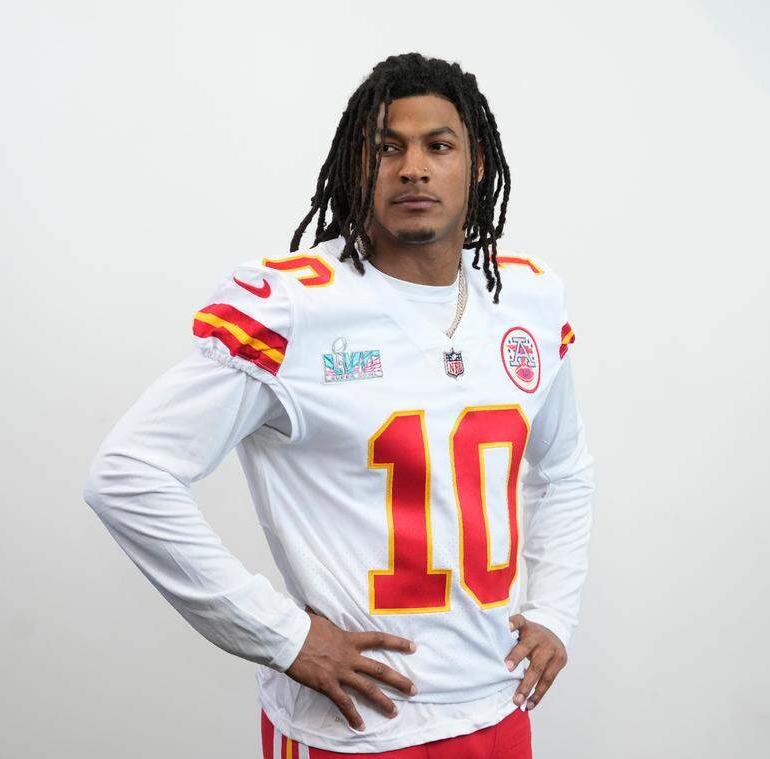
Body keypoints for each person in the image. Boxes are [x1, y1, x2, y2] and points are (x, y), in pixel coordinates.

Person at [83, 52, 595, 758]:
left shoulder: (526, 298)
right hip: (353, 728)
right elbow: (127, 473)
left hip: (494, 709)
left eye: (438, 145)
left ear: (476, 166)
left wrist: (553, 611)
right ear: (357, 167)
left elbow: (563, 468)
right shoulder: (295, 307)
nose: (412, 167)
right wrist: (285, 636)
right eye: (387, 147)